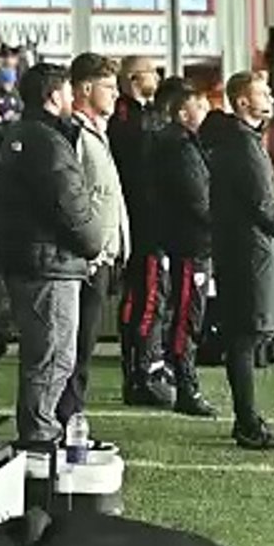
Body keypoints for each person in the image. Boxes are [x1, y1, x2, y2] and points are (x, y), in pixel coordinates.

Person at [0, 63, 103, 445]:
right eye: (69, 92)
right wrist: (95, 242)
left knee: (43, 353)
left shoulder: (20, 134)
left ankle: (39, 429)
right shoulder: (48, 142)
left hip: (31, 258)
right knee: (53, 355)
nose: (73, 100)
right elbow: (69, 205)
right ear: (55, 96)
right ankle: (40, 434)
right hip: (50, 263)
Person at [207, 71, 274, 450]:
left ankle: (247, 418)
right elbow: (262, 201)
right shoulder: (242, 145)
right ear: (242, 102)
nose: (271, 98)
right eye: (263, 92)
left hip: (243, 248)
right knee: (243, 336)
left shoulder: (239, 140)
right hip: (248, 250)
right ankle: (247, 422)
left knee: (245, 334)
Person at [56, 54, 128, 438]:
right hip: (86, 258)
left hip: (102, 255)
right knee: (75, 347)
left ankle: (72, 417)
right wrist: (90, 249)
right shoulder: (76, 135)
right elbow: (77, 198)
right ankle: (65, 420)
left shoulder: (98, 132)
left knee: (84, 347)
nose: (116, 94)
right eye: (108, 87)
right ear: (85, 88)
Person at [107, 55, 174, 406]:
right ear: (135, 78)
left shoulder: (142, 117)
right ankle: (142, 372)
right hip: (143, 225)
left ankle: (145, 368)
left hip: (148, 223)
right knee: (147, 298)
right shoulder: (129, 121)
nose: (158, 77)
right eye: (152, 72)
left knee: (147, 297)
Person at [150, 81, 217, 417]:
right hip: (190, 244)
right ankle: (186, 385)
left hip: (189, 242)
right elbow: (198, 200)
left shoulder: (183, 144)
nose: (205, 113)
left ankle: (181, 379)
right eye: (199, 107)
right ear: (182, 113)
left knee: (186, 313)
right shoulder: (179, 148)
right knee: (187, 316)